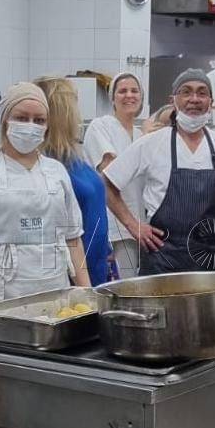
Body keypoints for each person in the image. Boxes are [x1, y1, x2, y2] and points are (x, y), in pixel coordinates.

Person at [0, 82, 90, 326]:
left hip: (53, 294)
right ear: (5, 121)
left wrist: (86, 292)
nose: (31, 126)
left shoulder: (56, 172)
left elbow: (73, 239)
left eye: (39, 120)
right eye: (22, 118)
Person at [103, 69, 215, 275]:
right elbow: (107, 182)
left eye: (202, 93)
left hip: (209, 265)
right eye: (186, 92)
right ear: (174, 100)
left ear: (211, 102)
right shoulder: (151, 143)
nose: (194, 99)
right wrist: (133, 226)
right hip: (161, 261)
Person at [35, 76, 113, 285]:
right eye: (75, 103)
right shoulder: (46, 164)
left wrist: (107, 250)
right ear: (63, 112)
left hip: (99, 265)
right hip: (73, 276)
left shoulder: (73, 158)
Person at [83, 72, 145, 278]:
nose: (129, 95)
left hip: (140, 227)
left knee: (136, 287)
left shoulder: (141, 135)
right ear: (113, 99)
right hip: (114, 227)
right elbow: (111, 173)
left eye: (134, 91)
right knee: (119, 288)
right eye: (122, 91)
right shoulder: (100, 126)